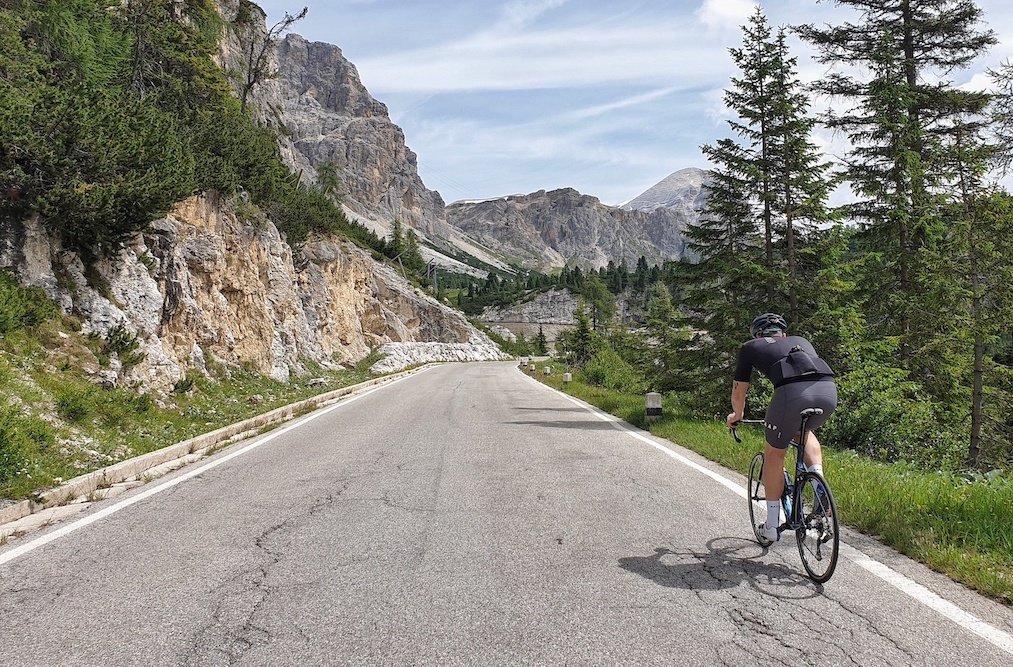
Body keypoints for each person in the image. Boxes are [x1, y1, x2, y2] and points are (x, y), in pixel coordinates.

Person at [725, 313, 837, 542]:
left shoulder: (750, 346)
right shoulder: (802, 341)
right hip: (828, 392)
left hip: (791, 395)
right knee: (804, 432)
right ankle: (818, 480)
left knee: (774, 453)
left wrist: (737, 415)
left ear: (757, 334)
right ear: (783, 334)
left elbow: (739, 390)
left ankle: (772, 525)